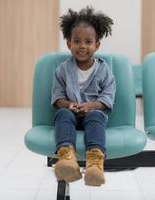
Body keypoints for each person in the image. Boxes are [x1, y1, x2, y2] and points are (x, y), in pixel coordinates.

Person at [51, 6, 115, 187]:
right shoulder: (62, 70)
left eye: (88, 41)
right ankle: (67, 157)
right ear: (69, 44)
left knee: (96, 117)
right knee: (62, 114)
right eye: (77, 41)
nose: (82, 46)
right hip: (70, 114)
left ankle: (95, 162)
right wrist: (68, 105)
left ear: (97, 45)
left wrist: (92, 106)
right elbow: (57, 97)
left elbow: (108, 95)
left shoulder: (103, 70)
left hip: (93, 114)